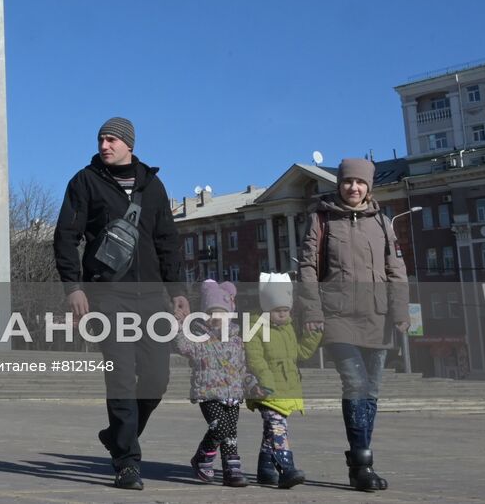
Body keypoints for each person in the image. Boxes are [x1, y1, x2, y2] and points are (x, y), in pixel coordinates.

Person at [53, 117, 186, 491]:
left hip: (152, 299)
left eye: (112, 139)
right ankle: (127, 461)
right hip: (106, 295)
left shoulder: (153, 186)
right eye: (101, 139)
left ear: (129, 143)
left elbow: (168, 242)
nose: (105, 145)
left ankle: (117, 436)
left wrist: (178, 291)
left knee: (157, 380)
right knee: (122, 376)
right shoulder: (84, 181)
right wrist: (73, 288)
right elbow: (66, 237)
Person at [295, 157, 409, 493]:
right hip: (337, 316)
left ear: (368, 187)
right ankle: (362, 464)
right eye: (348, 182)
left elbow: (396, 271)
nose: (354, 188)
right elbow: (307, 269)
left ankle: (362, 459)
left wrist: (401, 312)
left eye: (360, 183)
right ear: (339, 184)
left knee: (371, 391)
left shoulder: (383, 222)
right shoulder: (321, 219)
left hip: (378, 316)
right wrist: (313, 312)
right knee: (355, 383)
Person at [173, 279, 257, 487]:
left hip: (232, 394)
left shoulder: (237, 340)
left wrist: (251, 383)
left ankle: (232, 468)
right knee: (219, 428)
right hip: (208, 392)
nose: (216, 318)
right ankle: (203, 457)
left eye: (221, 313)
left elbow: (241, 367)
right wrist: (179, 325)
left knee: (231, 433)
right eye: (211, 313)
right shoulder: (199, 337)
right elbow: (182, 346)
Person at [244, 272, 321, 488]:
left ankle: (266, 470)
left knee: (272, 430)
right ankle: (286, 468)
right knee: (278, 428)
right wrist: (265, 379)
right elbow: (254, 358)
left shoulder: (287, 328)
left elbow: (300, 354)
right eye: (278, 311)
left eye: (286, 310)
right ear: (267, 308)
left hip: (287, 387)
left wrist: (313, 336)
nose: (283, 315)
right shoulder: (255, 326)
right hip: (265, 388)